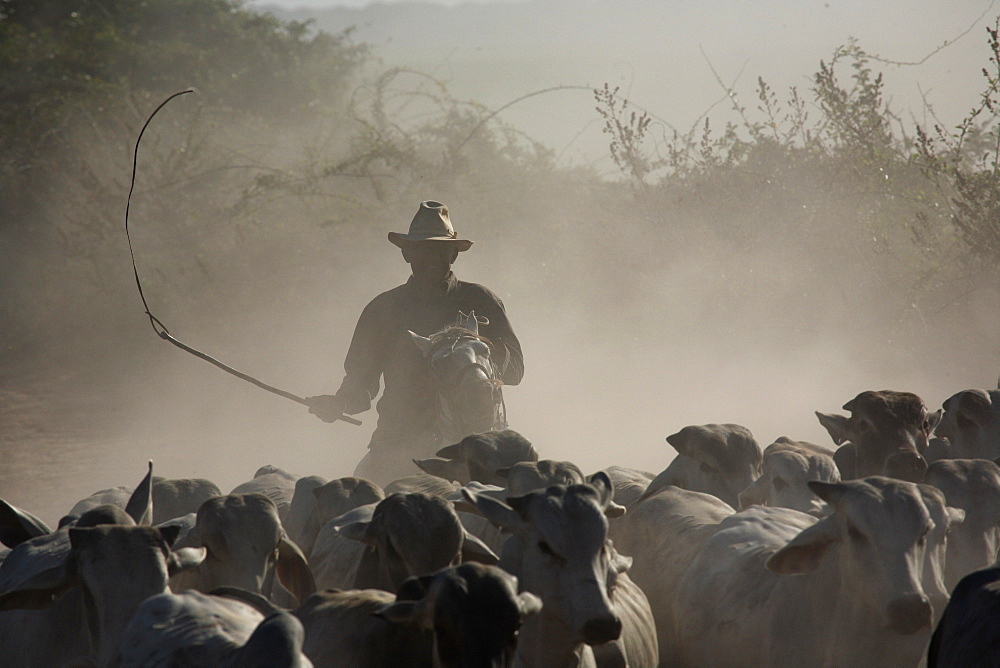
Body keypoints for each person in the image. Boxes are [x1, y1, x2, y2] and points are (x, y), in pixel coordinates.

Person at [306, 201, 524, 485]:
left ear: (454, 254)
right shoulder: (382, 309)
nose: (431, 257)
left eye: (440, 250)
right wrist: (339, 402)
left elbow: (515, 370)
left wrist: (478, 353)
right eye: (422, 250)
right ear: (407, 254)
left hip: (476, 448)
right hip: (399, 444)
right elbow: (361, 381)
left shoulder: (482, 302)